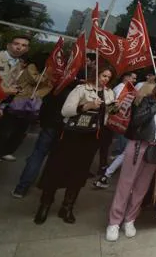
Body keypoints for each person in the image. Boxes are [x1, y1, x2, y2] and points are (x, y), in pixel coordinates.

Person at [34, 67, 116, 225]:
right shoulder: (81, 89)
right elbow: (66, 111)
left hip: (92, 137)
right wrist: (86, 106)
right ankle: (45, 205)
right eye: (103, 75)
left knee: (79, 173)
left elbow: (108, 114)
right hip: (72, 136)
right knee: (56, 170)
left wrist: (114, 108)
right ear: (96, 74)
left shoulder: (109, 93)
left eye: (108, 77)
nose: (105, 78)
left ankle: (67, 206)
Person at [12, 53, 95, 198]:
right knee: (53, 158)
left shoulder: (57, 76)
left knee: (38, 154)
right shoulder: (83, 83)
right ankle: (46, 189)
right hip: (66, 125)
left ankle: (22, 188)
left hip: (52, 122)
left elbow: (47, 100)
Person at [105, 77, 156, 241]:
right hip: (138, 145)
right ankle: (114, 221)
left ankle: (130, 219)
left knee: (141, 188)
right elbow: (137, 119)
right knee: (125, 184)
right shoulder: (146, 101)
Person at [0, 53, 52, 162]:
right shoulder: (32, 67)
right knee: (5, 129)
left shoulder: (47, 73)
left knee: (21, 130)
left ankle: (8, 151)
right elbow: (36, 80)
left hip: (32, 104)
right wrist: (47, 74)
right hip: (18, 100)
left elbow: (47, 88)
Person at [0, 35, 29, 138]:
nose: (19, 47)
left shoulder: (17, 65)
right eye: (16, 44)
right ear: (8, 45)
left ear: (27, 49)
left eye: (23, 45)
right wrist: (5, 90)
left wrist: (13, 90)